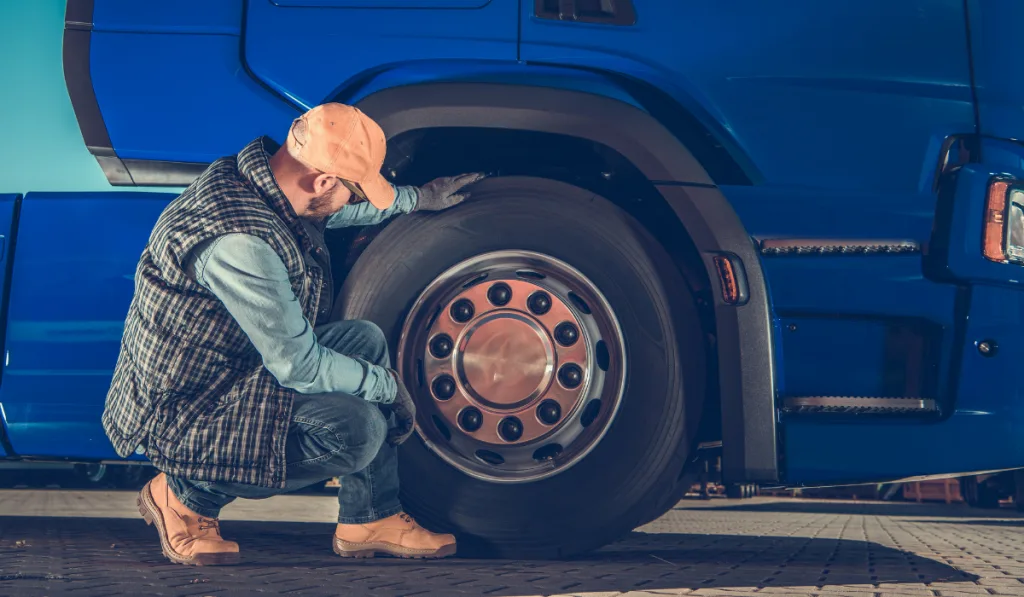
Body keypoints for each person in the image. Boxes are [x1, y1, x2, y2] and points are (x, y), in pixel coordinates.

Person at [102, 102, 485, 566]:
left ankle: (370, 517)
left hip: (232, 368)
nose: (356, 201)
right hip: (187, 406)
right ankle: (183, 495)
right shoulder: (241, 242)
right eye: (355, 191)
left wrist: (417, 199)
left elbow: (331, 215)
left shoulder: (259, 183)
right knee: (356, 432)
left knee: (364, 339)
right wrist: (387, 386)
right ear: (323, 181)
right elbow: (298, 366)